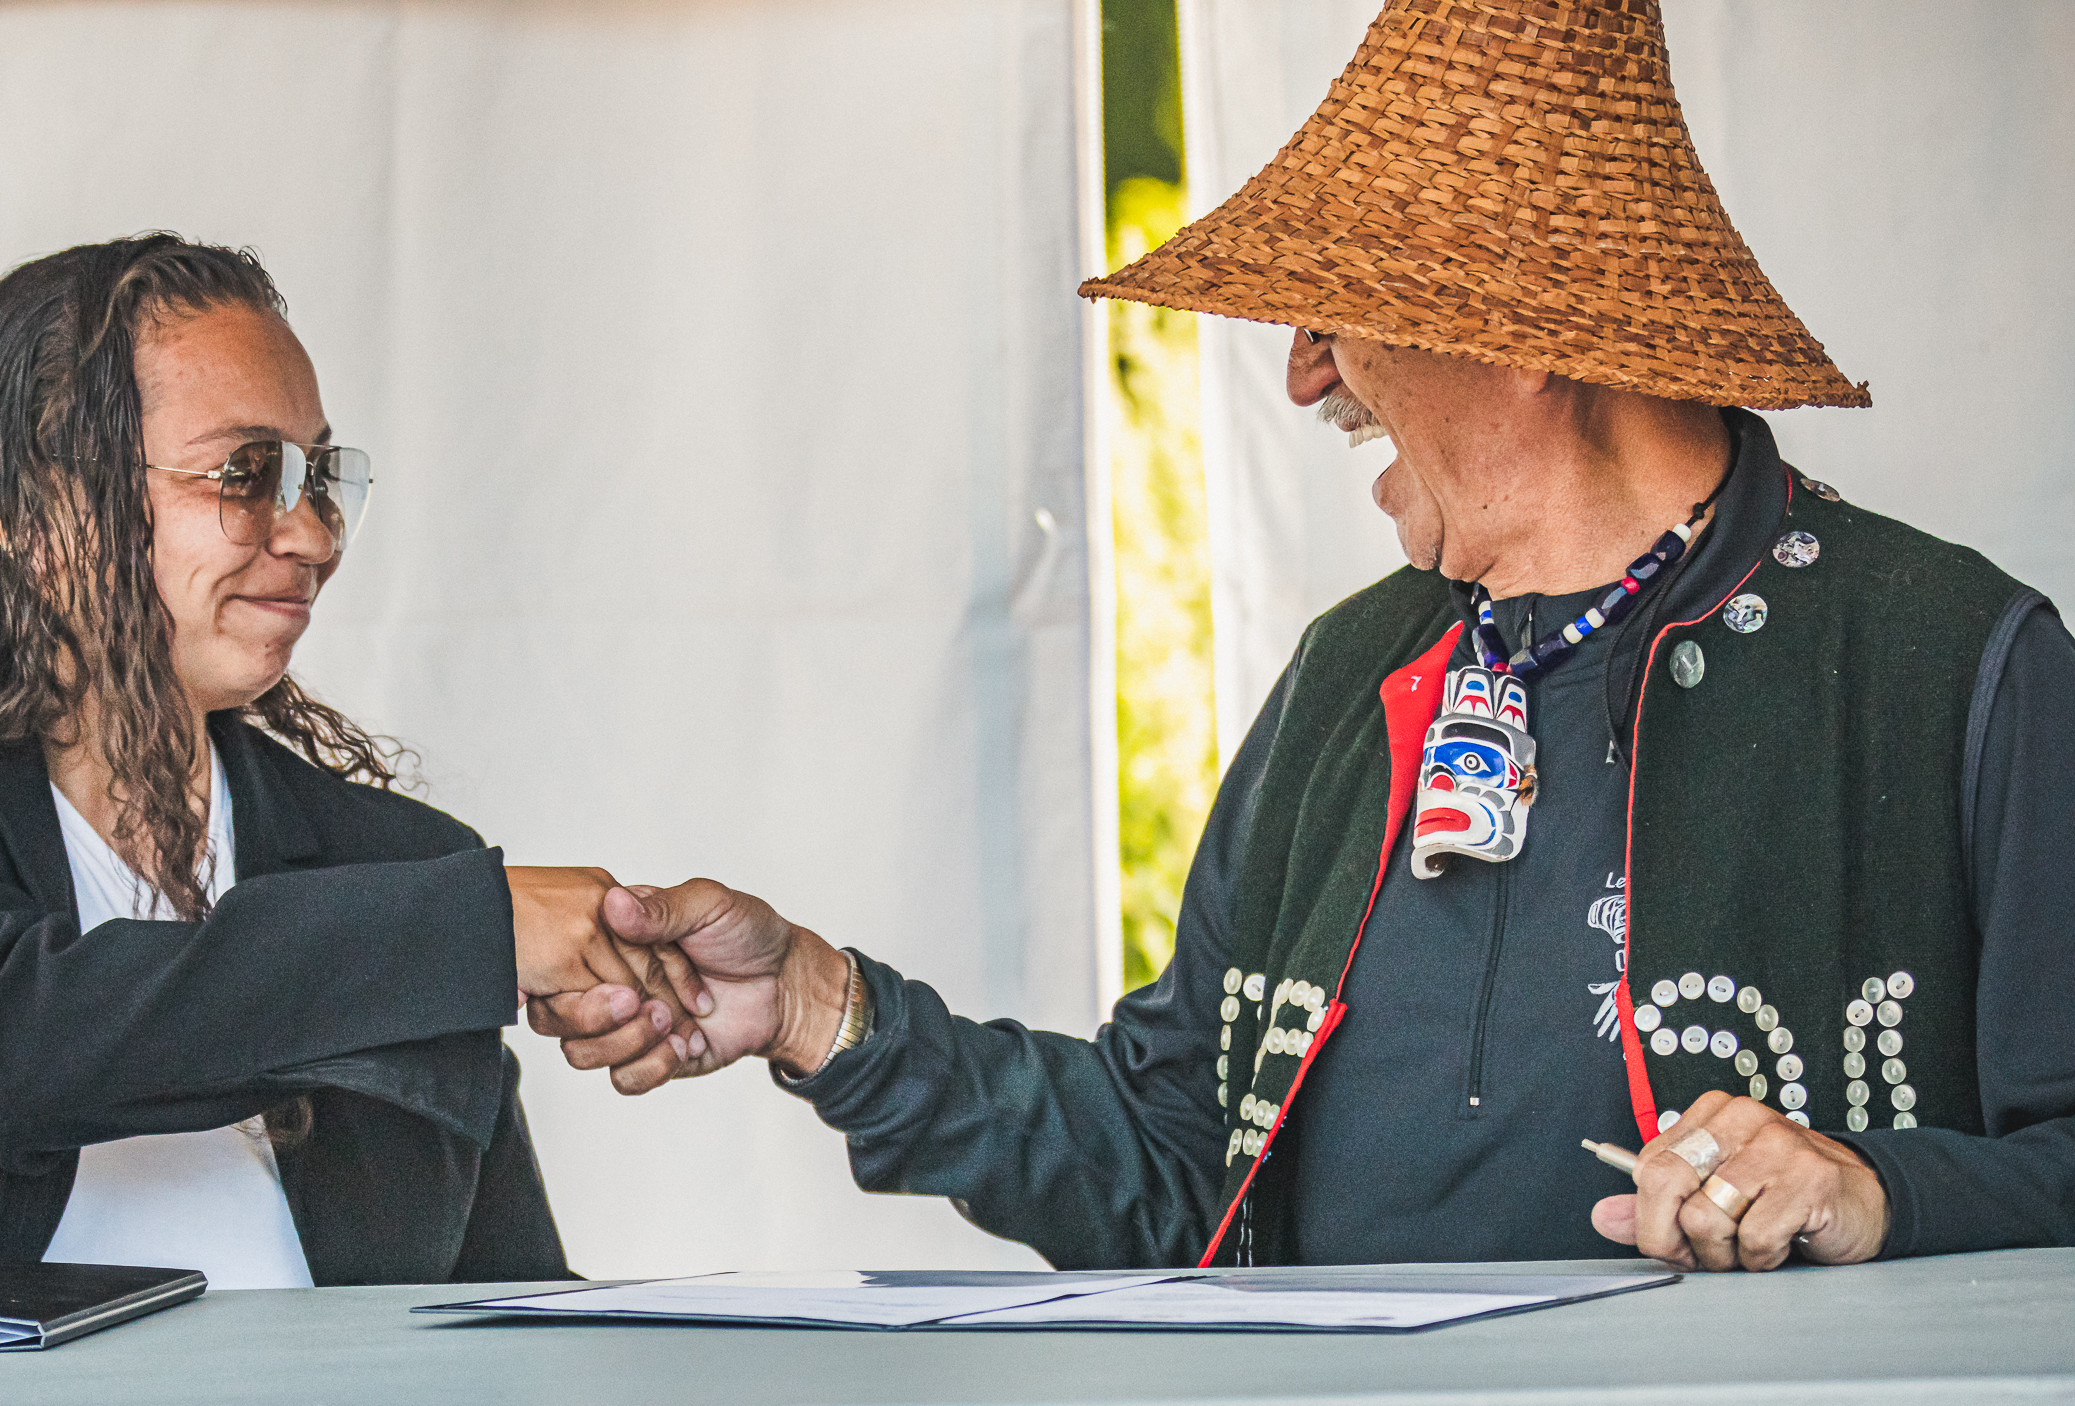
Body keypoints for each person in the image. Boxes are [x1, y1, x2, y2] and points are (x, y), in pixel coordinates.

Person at [568, 0, 2075, 1274]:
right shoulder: (1353, 674)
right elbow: (1175, 1163)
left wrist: (1877, 1191)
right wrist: (823, 1010)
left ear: (1529, 321)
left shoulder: (1954, 661)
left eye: (1341, 306)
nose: (1301, 376)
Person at [0, 234, 704, 1287]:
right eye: (244, 473)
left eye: (320, 476)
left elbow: (505, 1306)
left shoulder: (395, 865)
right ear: (27, 508)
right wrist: (474, 932)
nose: (315, 535)